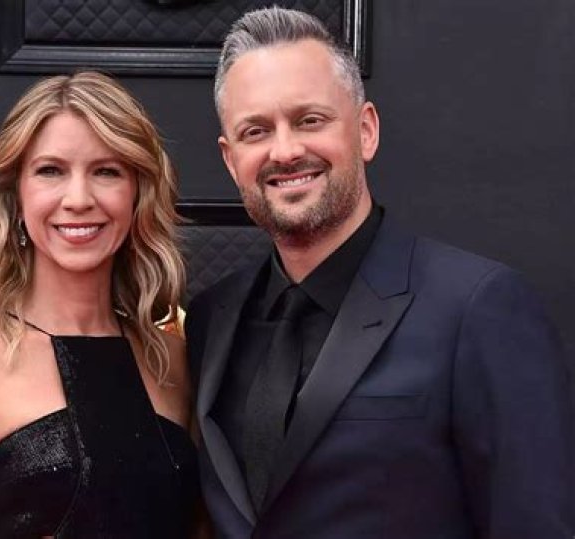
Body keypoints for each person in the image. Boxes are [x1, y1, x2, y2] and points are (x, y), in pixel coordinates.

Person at [185, 7, 574, 538]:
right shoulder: (210, 319)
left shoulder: (477, 309)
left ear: (365, 131)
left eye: (310, 120)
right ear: (231, 161)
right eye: (256, 130)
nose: (286, 150)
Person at [0, 72, 201, 538]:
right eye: (51, 171)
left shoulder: (174, 361)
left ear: (137, 194)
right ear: (16, 196)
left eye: (107, 171)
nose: (78, 199)